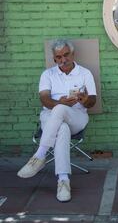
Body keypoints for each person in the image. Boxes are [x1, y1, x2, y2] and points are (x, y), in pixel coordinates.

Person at [17, 39, 97, 202]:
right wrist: (58, 103)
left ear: (73, 54)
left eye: (66, 55)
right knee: (62, 128)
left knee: (61, 111)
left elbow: (92, 101)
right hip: (50, 117)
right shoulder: (48, 74)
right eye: (59, 57)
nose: (63, 60)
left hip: (77, 116)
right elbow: (44, 100)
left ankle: (39, 155)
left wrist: (84, 99)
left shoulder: (85, 73)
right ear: (54, 59)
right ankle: (63, 181)